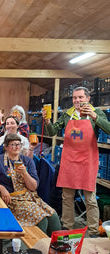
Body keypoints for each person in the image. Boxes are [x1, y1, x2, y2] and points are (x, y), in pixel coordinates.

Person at [43, 86, 110, 237]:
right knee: (67, 197)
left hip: (88, 160)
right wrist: (47, 121)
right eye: (74, 98)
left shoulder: (97, 112)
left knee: (90, 199)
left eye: (80, 97)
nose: (77, 100)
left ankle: (93, 231)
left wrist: (94, 116)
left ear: (88, 98)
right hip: (69, 160)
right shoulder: (68, 114)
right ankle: (67, 228)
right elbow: (52, 132)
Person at [0, 133, 61, 236]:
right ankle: (38, 248)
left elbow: (33, 187)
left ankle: (58, 248)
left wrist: (25, 173)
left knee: (53, 216)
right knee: (42, 219)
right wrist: (1, 188)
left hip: (29, 197)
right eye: (13, 144)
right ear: (6, 147)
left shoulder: (27, 161)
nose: (16, 147)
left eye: (18, 144)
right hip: (12, 200)